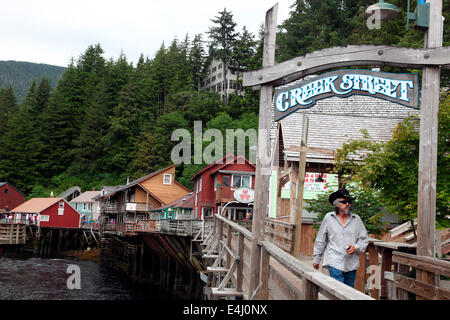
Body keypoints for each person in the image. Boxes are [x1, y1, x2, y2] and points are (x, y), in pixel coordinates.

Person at [312, 188, 369, 288]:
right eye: (344, 202)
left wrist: (355, 247)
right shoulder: (328, 218)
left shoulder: (356, 219)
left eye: (349, 202)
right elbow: (321, 239)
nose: (347, 204)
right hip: (334, 261)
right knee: (338, 290)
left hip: (351, 264)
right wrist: (317, 258)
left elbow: (364, 239)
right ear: (336, 204)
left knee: (349, 291)